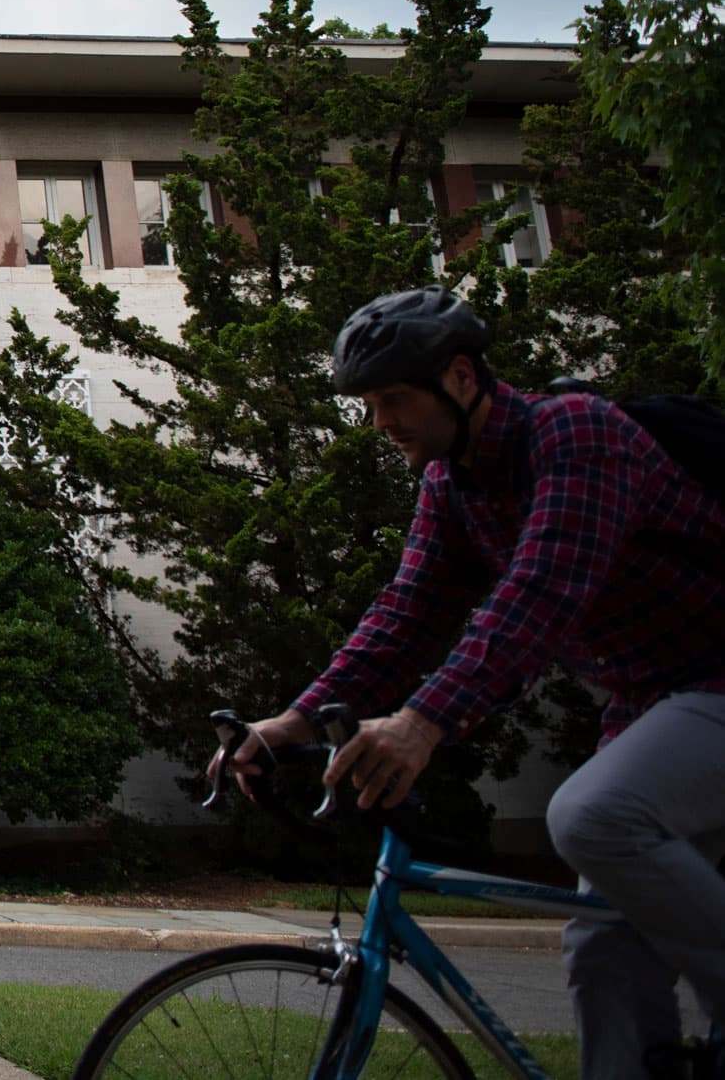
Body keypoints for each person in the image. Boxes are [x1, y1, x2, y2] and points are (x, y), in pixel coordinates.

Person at [229, 286, 725, 1080]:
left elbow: (539, 598)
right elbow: (405, 616)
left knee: (592, 814)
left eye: (394, 399)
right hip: (648, 701)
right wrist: (290, 723)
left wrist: (424, 722)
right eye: (368, 403)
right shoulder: (450, 484)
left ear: (462, 379)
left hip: (714, 678)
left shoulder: (578, 437)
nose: (380, 422)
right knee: (602, 942)